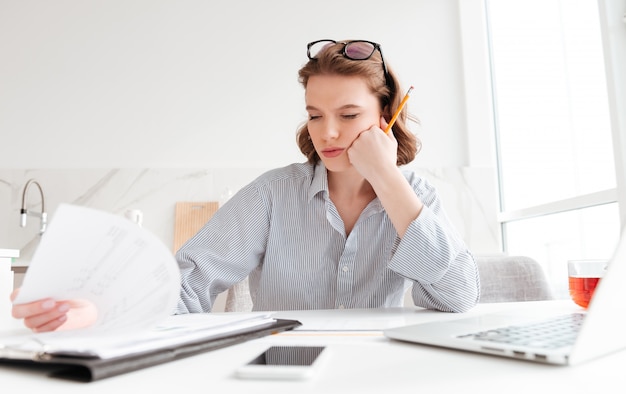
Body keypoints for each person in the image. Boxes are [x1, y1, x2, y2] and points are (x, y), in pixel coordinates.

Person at [11, 39, 480, 333]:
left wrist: (387, 177)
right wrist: (100, 311)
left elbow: (457, 297)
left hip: (380, 374)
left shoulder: (418, 198)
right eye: (315, 115)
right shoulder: (273, 194)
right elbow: (188, 282)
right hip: (278, 374)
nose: (328, 133)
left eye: (349, 115)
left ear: (385, 115)